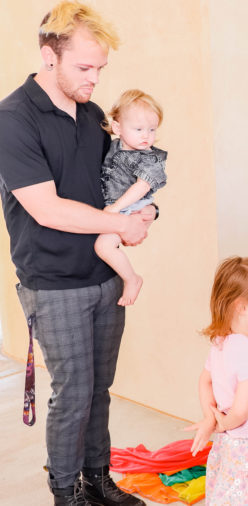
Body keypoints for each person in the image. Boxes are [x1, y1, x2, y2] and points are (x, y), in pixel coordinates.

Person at [0, 3, 153, 505]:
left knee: (100, 391)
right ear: (49, 57)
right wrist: (120, 224)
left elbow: (118, 187)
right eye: (84, 69)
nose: (94, 79)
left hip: (104, 275)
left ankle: (97, 479)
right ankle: (66, 494)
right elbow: (47, 209)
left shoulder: (91, 118)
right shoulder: (13, 119)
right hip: (53, 283)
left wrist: (146, 215)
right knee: (73, 397)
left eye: (100, 69)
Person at [185, 257, 248, 505]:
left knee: (227, 496)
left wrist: (211, 417)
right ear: (241, 306)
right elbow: (241, 412)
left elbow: (204, 381)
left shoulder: (220, 342)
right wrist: (222, 423)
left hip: (230, 445)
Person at [95, 89, 167, 306]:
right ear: (117, 127)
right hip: (118, 206)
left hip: (131, 205)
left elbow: (142, 186)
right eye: (138, 129)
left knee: (103, 247)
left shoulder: (150, 157)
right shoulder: (113, 146)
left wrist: (116, 208)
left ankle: (132, 279)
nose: (146, 136)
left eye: (152, 130)